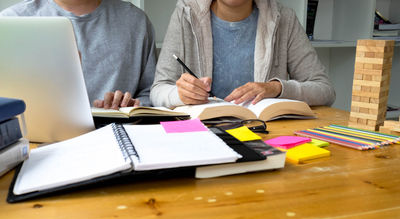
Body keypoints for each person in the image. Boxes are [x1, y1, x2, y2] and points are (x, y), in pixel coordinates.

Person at [150, 0, 335, 108]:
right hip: (200, 135)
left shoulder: (284, 18)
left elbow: (324, 90)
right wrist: (180, 95)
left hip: (265, 135)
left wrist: (276, 88)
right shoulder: (185, 14)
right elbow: (158, 90)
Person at [1, 0, 157, 109]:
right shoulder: (10, 21)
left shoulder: (136, 21)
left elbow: (150, 93)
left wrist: (131, 107)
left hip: (116, 138)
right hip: (35, 142)